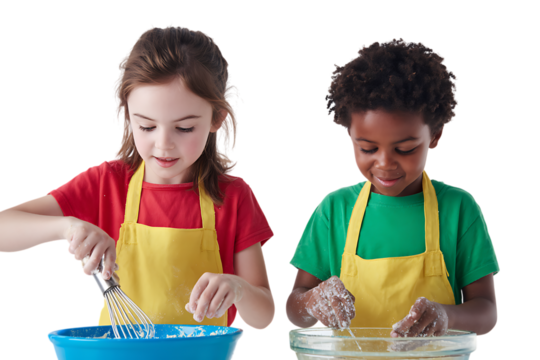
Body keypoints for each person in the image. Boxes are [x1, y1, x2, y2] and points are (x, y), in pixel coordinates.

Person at [0, 24, 275, 332]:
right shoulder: (106, 183)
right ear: (128, 115)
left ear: (216, 119)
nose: (163, 144)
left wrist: (238, 289)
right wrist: (66, 227)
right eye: (146, 126)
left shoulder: (233, 197)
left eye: (184, 128)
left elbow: (262, 317)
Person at [285, 37, 499, 337]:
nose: (385, 164)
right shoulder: (334, 211)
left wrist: (446, 315)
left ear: (434, 137)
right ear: (351, 137)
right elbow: (295, 308)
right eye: (368, 148)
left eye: (406, 149)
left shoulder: (458, 208)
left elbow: (486, 312)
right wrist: (312, 302)